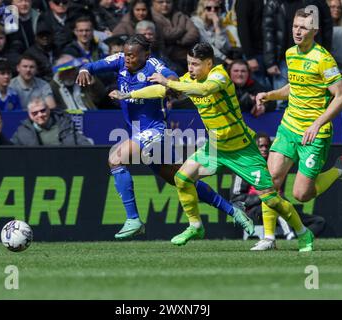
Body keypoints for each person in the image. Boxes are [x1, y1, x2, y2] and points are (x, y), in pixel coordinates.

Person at [111, 42, 315, 252]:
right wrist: (129, 95)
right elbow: (162, 90)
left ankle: (303, 233)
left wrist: (169, 83)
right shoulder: (190, 79)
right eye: (189, 63)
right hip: (215, 148)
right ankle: (195, 226)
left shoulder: (219, 76)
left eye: (196, 64)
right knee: (181, 179)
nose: (191, 68)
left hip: (242, 149)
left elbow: (204, 90)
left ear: (209, 63)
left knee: (271, 200)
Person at [77, 35, 248, 240]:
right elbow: (92, 65)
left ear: (146, 55)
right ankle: (233, 211)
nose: (128, 58)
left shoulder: (153, 65)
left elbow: (173, 78)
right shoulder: (120, 60)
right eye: (126, 54)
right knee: (180, 179)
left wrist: (169, 86)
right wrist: (84, 69)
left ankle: (133, 219)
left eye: (132, 55)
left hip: (155, 130)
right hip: (140, 131)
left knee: (115, 158)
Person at [255, 8, 342, 250]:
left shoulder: (323, 59)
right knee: (269, 181)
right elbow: (294, 87)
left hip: (314, 133)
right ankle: (269, 238)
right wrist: (270, 94)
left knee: (301, 194)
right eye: (295, 26)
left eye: (303, 27)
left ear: (314, 31)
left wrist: (317, 123)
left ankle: (340, 169)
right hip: (289, 126)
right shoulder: (291, 54)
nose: (298, 31)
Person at [230, 132, 327, 240]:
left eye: (267, 146)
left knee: (319, 222)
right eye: (261, 146)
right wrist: (265, 196)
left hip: (280, 205)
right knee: (275, 205)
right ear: (254, 147)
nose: (264, 149)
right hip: (255, 210)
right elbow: (236, 199)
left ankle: (299, 238)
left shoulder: (275, 165)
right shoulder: (244, 167)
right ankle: (289, 236)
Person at [11, 97, 93, 146]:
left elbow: (83, 143)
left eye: (43, 111)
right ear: (29, 115)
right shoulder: (22, 131)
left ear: (48, 110)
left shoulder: (65, 124)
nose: (40, 115)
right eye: (35, 113)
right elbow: (9, 150)